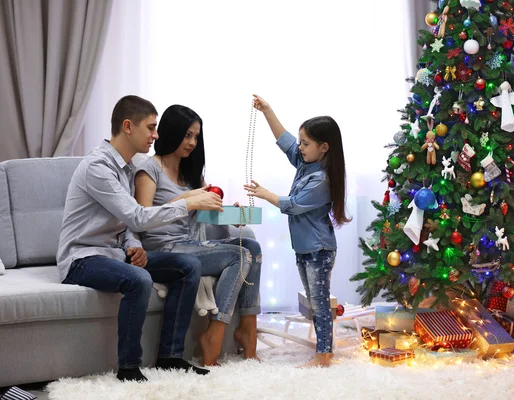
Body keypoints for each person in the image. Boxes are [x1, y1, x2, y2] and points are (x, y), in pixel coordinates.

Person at [57, 95, 223, 382]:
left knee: (188, 266)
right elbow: (137, 215)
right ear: (128, 127)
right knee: (139, 279)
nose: (156, 135)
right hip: (82, 258)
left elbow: (127, 224)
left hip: (113, 254)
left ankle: (170, 356)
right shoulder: (98, 167)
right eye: (150, 127)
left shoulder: (129, 168)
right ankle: (129, 368)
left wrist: (133, 245)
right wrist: (189, 203)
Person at [134, 104, 262, 366]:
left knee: (252, 247)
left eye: (196, 136)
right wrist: (188, 198)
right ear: (171, 132)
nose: (192, 142)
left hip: (193, 244)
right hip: (165, 249)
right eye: (187, 135)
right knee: (241, 254)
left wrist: (229, 214)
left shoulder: (192, 173)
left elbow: (206, 212)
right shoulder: (150, 169)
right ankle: (215, 332)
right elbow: (143, 217)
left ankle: (248, 330)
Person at [245, 94, 351, 368]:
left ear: (324, 147)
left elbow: (293, 205)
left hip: (318, 250)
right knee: (314, 303)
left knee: (319, 303)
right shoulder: (307, 162)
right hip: (304, 248)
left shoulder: (322, 179)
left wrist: (266, 193)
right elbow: (286, 141)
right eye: (302, 142)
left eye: (306, 143)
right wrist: (267, 110)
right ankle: (322, 349)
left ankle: (324, 355)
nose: (301, 147)